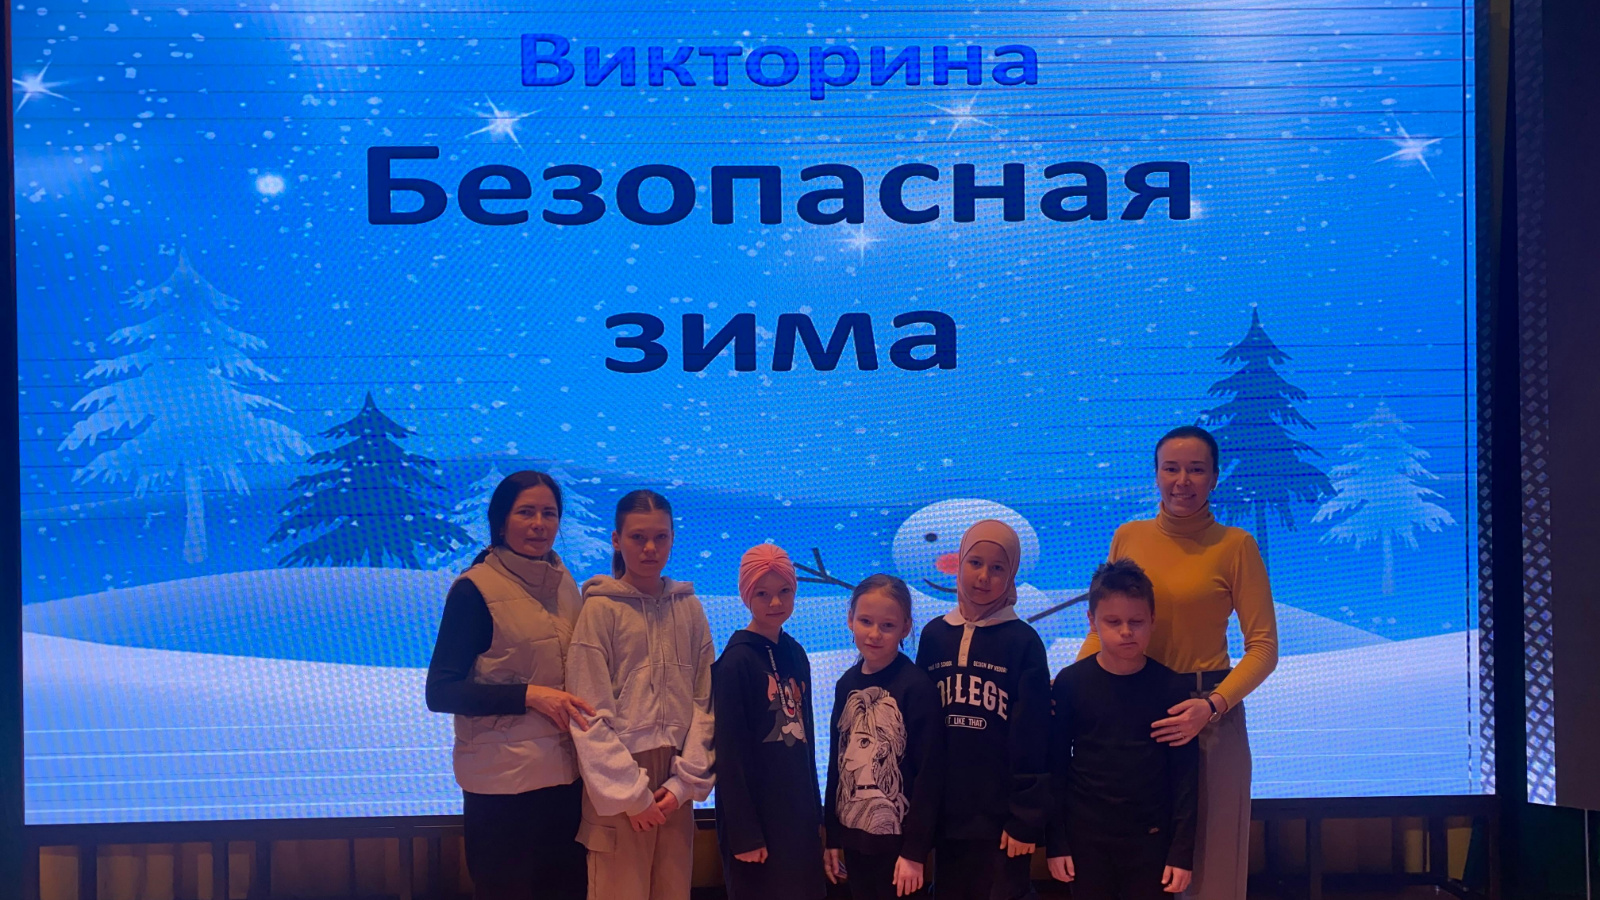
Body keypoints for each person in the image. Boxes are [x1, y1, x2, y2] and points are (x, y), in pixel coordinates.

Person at [1076, 425, 1278, 900]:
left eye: (1196, 469)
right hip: (1134, 711)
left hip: (1209, 716)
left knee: (1212, 864)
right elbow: (1102, 628)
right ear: (1156, 474)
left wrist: (1212, 706)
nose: (1182, 481)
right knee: (1140, 863)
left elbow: (1264, 648)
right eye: (1171, 468)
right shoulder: (1129, 536)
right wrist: (1068, 688)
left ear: (1214, 477)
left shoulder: (1236, 546)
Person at [424, 470, 594, 900]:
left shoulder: (565, 584)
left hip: (565, 782)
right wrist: (528, 695)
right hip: (502, 790)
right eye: (526, 512)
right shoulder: (474, 590)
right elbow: (440, 691)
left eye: (549, 513)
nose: (539, 524)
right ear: (501, 522)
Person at [565, 489, 716, 900]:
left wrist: (683, 784)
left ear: (672, 538)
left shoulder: (690, 609)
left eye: (660, 537)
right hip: (617, 783)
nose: (650, 548)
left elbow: (705, 703)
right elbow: (588, 713)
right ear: (617, 540)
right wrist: (631, 795)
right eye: (638, 537)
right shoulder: (599, 611)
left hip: (674, 785)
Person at [915, 519, 1052, 900]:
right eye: (975, 563)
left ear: (1012, 576)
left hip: (1003, 822)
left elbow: (1035, 736)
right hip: (947, 817)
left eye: (997, 567)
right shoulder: (933, 636)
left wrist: (1025, 817)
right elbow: (921, 731)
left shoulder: (1024, 642)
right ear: (959, 563)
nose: (983, 576)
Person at [1047, 559, 1198, 900]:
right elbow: (1055, 767)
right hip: (1086, 842)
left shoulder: (1171, 688)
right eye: (1113, 622)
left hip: (1151, 841)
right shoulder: (1070, 684)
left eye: (1136, 621)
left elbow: (1186, 778)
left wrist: (1181, 852)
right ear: (1092, 621)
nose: (1126, 631)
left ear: (1152, 620)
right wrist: (1056, 842)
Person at [712, 544, 827, 900]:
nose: (775, 602)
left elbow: (807, 745)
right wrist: (744, 834)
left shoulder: (796, 653)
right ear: (746, 595)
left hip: (798, 817)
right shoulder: (735, 662)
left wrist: (816, 816)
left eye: (784, 591)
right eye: (762, 593)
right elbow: (729, 755)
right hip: (757, 824)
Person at [824, 574, 945, 900]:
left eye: (887, 625)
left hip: (899, 849)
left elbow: (929, 776)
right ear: (850, 619)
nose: (875, 633)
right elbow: (838, 764)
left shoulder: (916, 688)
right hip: (853, 840)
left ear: (905, 627)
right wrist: (832, 837)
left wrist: (915, 851)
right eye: (866, 621)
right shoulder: (845, 685)